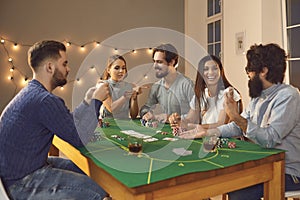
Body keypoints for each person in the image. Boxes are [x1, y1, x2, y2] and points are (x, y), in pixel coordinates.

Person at [179, 43, 300, 200]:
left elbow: (270, 139)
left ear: (263, 71)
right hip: (262, 162)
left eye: (249, 70)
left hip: (288, 171)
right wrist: (208, 131)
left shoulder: (288, 96)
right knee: (222, 179)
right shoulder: (259, 95)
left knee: (238, 189)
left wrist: (235, 116)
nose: (248, 75)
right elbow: (238, 126)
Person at [0, 40, 111, 199]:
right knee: (97, 190)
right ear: (50, 67)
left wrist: (88, 100)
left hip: (16, 173)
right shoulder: (44, 100)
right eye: (64, 64)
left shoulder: (33, 93)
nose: (68, 69)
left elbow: (69, 122)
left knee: (87, 169)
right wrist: (97, 101)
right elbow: (79, 138)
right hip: (20, 183)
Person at [169, 55, 242, 130]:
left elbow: (221, 124)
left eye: (215, 68)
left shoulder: (229, 93)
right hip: (206, 138)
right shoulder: (201, 94)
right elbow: (190, 119)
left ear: (220, 71)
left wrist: (195, 127)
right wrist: (178, 121)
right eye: (206, 69)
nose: (210, 72)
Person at [140, 43, 194, 122]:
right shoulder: (156, 86)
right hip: (165, 132)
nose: (155, 66)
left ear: (172, 62)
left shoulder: (187, 85)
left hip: (186, 130)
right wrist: (146, 113)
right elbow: (146, 107)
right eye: (154, 61)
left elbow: (198, 114)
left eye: (159, 62)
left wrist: (171, 118)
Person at [100, 54, 141, 119]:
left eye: (123, 68)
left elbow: (133, 115)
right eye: (117, 68)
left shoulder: (129, 86)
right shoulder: (103, 85)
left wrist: (134, 98)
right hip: (108, 125)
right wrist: (124, 97)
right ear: (108, 70)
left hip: (124, 125)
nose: (121, 71)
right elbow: (111, 109)